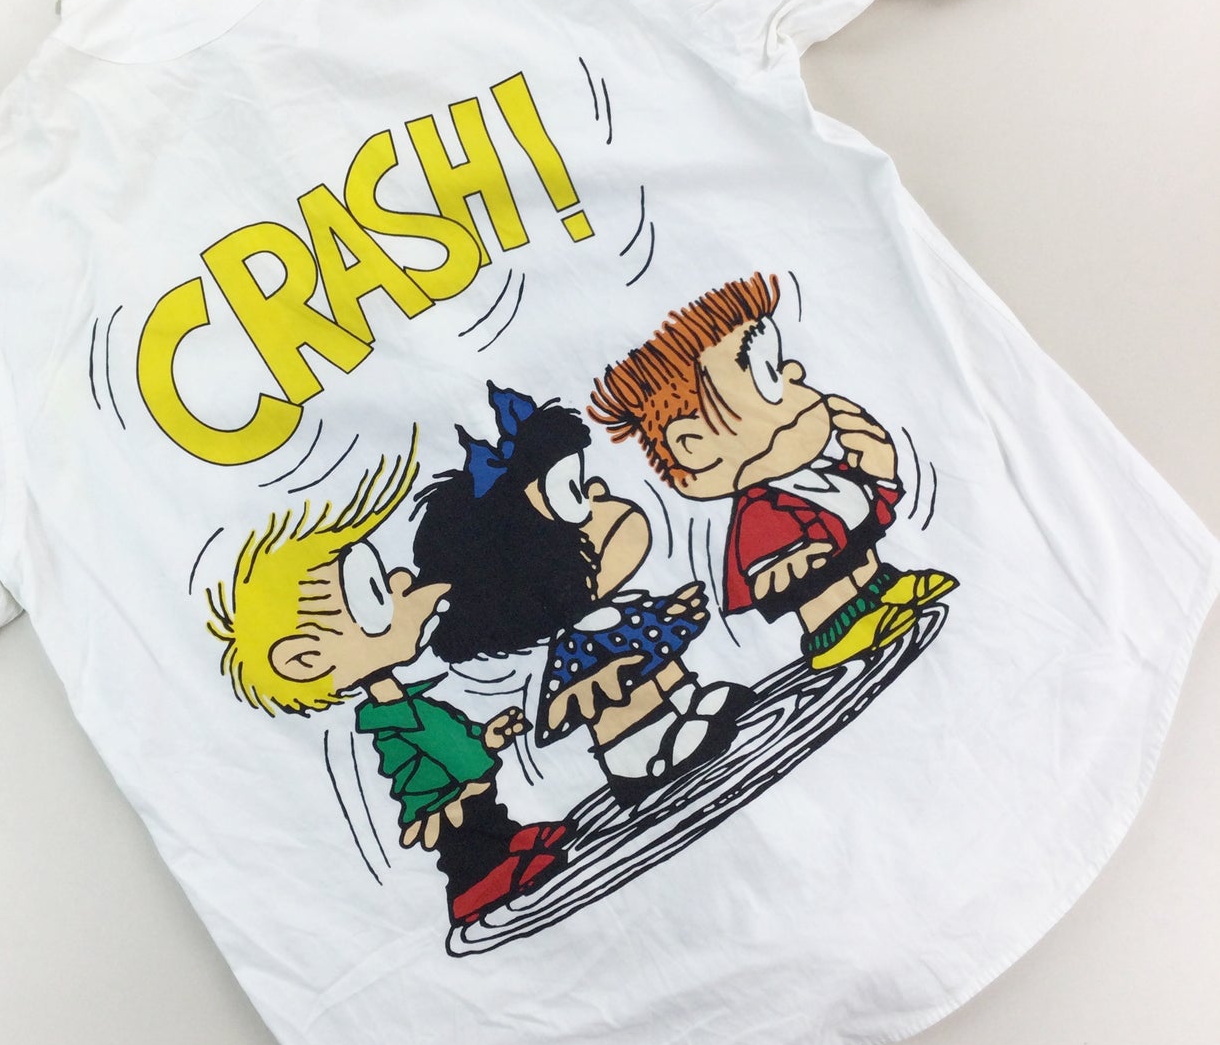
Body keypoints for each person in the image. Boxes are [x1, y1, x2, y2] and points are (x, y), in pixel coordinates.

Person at [206, 443, 567, 924]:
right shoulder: (393, 719)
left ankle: (509, 841)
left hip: (462, 787)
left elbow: (449, 737)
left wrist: (486, 735)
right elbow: (434, 754)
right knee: (464, 840)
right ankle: (476, 885)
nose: (400, 579)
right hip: (443, 802)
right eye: (371, 592)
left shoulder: (408, 704)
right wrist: (474, 757)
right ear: (307, 659)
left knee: (484, 816)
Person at [590, 273, 957, 670]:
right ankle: (839, 636)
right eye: (769, 371)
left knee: (864, 566)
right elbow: (766, 570)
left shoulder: (820, 472)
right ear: (693, 444)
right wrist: (783, 566)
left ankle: (887, 590)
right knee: (827, 595)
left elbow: (868, 510)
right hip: (828, 605)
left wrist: (878, 473)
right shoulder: (761, 510)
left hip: (872, 573)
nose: (795, 372)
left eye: (781, 363)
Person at [412, 384, 753, 806]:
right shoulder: (577, 646)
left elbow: (653, 642)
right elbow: (574, 698)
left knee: (654, 657)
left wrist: (671, 612)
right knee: (620, 693)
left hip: (670, 698)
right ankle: (636, 760)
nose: (597, 493)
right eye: (573, 490)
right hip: (635, 741)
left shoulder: (610, 612)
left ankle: (689, 701)